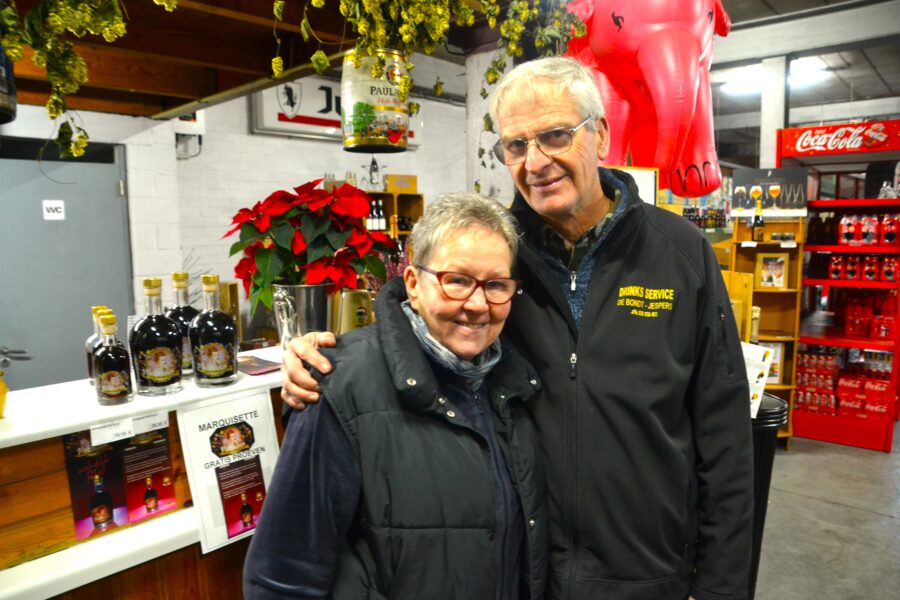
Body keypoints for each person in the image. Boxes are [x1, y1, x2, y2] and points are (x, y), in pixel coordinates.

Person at [281, 57, 753, 600]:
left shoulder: (680, 254)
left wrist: (719, 589)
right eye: (515, 145)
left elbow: (725, 442)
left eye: (554, 135)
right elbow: (425, 311)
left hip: (651, 577)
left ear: (600, 135)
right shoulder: (501, 260)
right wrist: (325, 359)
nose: (536, 162)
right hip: (525, 578)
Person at [243, 194, 547, 600]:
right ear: (412, 285)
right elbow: (281, 577)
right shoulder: (339, 384)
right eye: (456, 280)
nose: (477, 304)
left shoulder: (515, 386)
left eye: (496, 285)